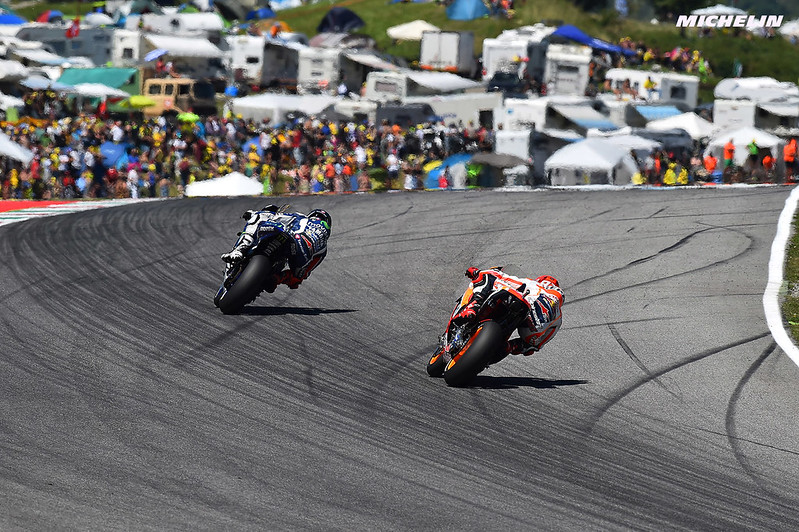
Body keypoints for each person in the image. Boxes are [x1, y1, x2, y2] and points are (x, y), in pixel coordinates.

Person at [452, 267, 564, 358]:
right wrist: (514, 347)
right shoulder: (558, 316)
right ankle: (506, 347)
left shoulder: (532, 283)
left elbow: (504, 279)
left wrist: (476, 272)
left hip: (520, 303)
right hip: (532, 327)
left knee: (488, 276)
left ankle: (474, 306)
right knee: (525, 345)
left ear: (540, 281)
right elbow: (535, 346)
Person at [221, 205, 331, 291]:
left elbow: (274, 216)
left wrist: (253, 214)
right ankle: (276, 278)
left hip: (288, 235)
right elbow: (304, 273)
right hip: (300, 255)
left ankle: (239, 250)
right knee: (297, 276)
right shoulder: (323, 247)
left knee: (257, 219)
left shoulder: (301, 217)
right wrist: (285, 279)